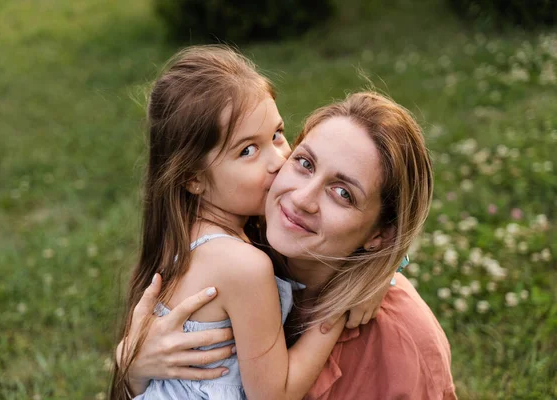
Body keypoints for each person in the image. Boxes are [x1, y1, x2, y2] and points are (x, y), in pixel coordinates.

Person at [117, 90, 457, 399]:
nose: (302, 198)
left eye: (342, 193)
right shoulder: (245, 245)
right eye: (305, 163)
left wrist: (377, 275)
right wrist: (135, 366)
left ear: (379, 235)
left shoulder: (403, 344)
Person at [111, 45, 384, 400]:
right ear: (193, 178)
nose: (278, 161)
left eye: (276, 134)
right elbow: (276, 396)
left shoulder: (182, 234)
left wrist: (388, 266)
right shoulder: (244, 266)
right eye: (247, 151)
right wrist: (344, 298)